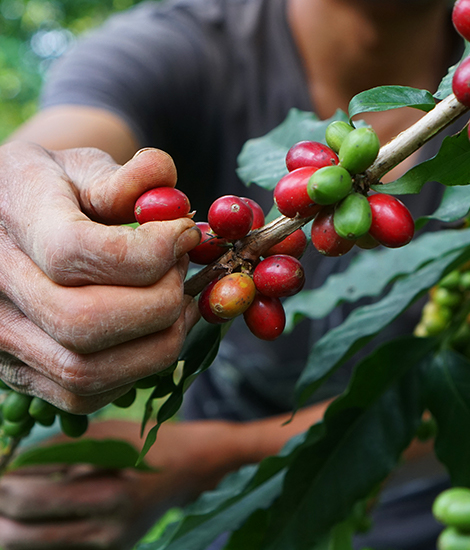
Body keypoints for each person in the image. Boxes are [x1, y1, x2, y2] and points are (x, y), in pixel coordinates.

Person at [0, 0, 461, 548]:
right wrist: (23, 192)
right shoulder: (184, 43)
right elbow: (58, 143)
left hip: (420, 511)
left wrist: (208, 458)